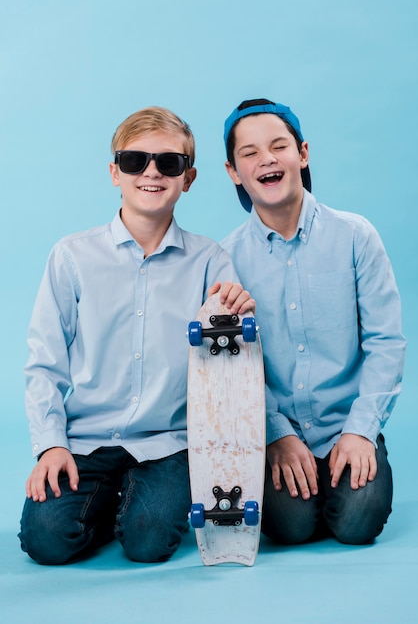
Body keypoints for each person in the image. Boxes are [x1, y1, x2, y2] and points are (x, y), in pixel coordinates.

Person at [19, 106, 254, 565]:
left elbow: (228, 367)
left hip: (166, 441)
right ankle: (114, 501)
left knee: (149, 544)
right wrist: (50, 444)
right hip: (86, 438)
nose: (151, 172)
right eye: (135, 161)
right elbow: (44, 362)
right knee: (46, 541)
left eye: (169, 163)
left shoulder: (211, 262)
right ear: (114, 172)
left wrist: (242, 314)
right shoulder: (71, 256)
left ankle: (140, 503)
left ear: (188, 178)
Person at [221, 98, 406, 545]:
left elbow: (386, 342)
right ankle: (301, 482)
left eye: (278, 146)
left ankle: (355, 464)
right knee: (290, 527)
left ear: (302, 154)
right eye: (249, 153)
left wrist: (361, 432)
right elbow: (235, 365)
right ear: (233, 172)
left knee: (358, 524)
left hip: (347, 422)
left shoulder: (356, 236)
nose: (266, 159)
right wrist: (274, 434)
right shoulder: (225, 259)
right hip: (280, 429)